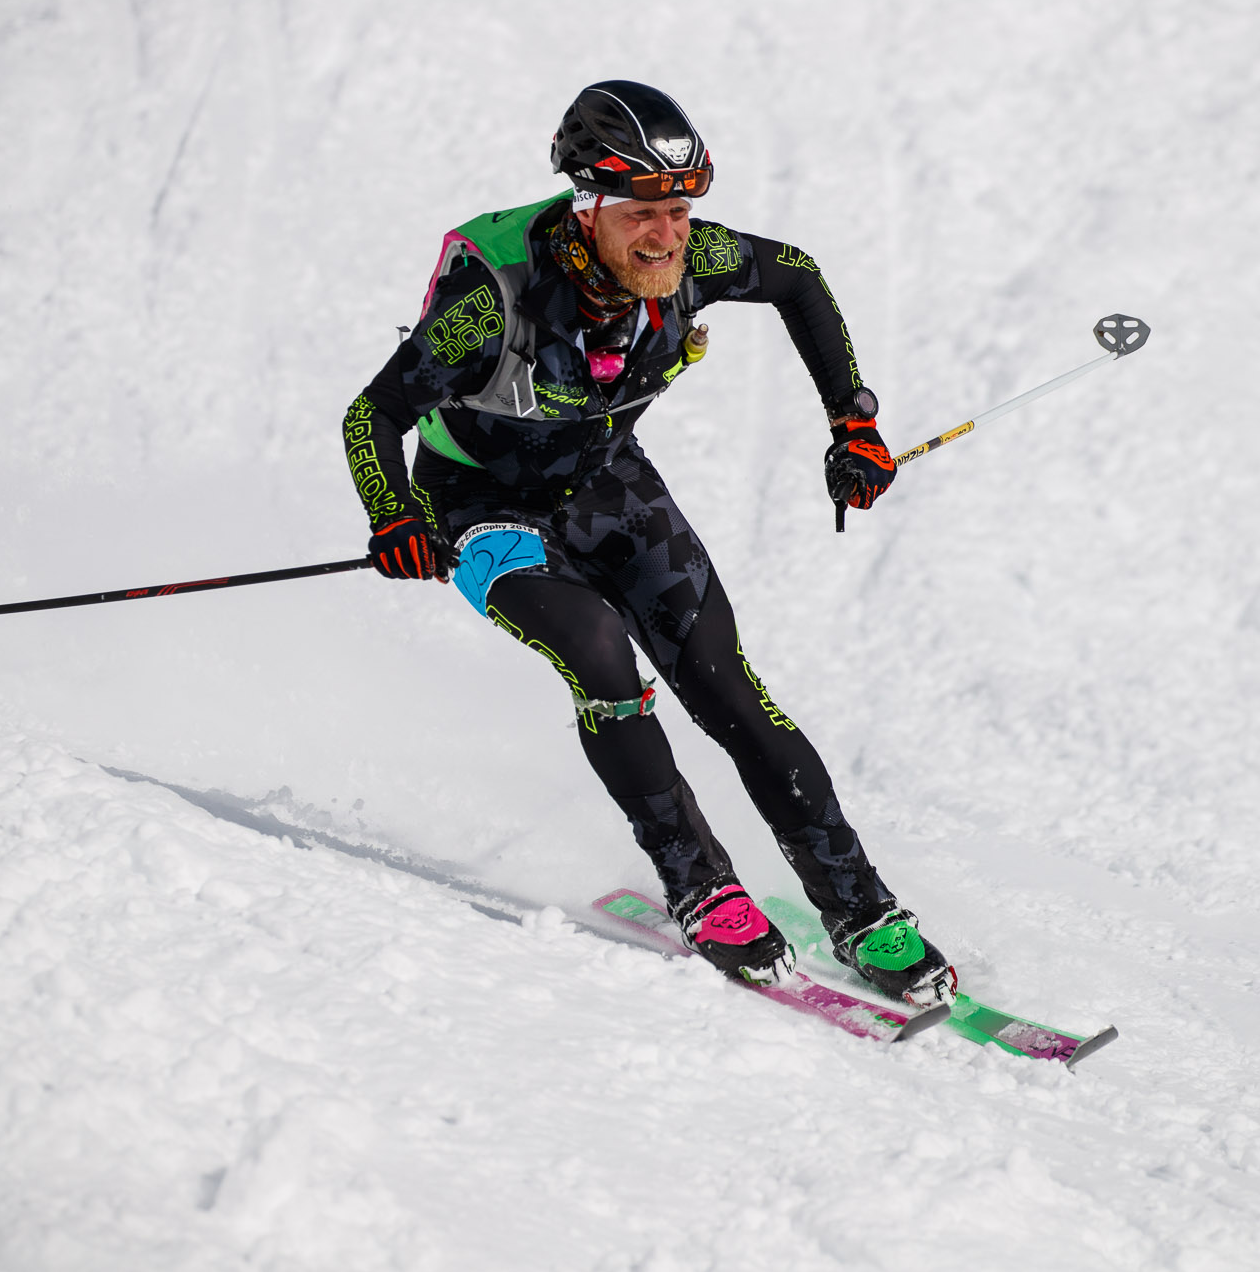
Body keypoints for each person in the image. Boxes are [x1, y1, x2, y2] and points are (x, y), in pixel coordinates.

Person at [342, 80, 957, 1008]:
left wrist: (853, 421)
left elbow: (796, 274)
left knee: (727, 687)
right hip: (480, 505)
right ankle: (701, 886)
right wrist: (394, 517)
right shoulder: (491, 300)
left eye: (679, 210)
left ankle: (863, 912)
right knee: (601, 658)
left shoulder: (689, 253)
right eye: (642, 215)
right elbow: (373, 413)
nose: (667, 235)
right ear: (587, 207)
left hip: (607, 485)